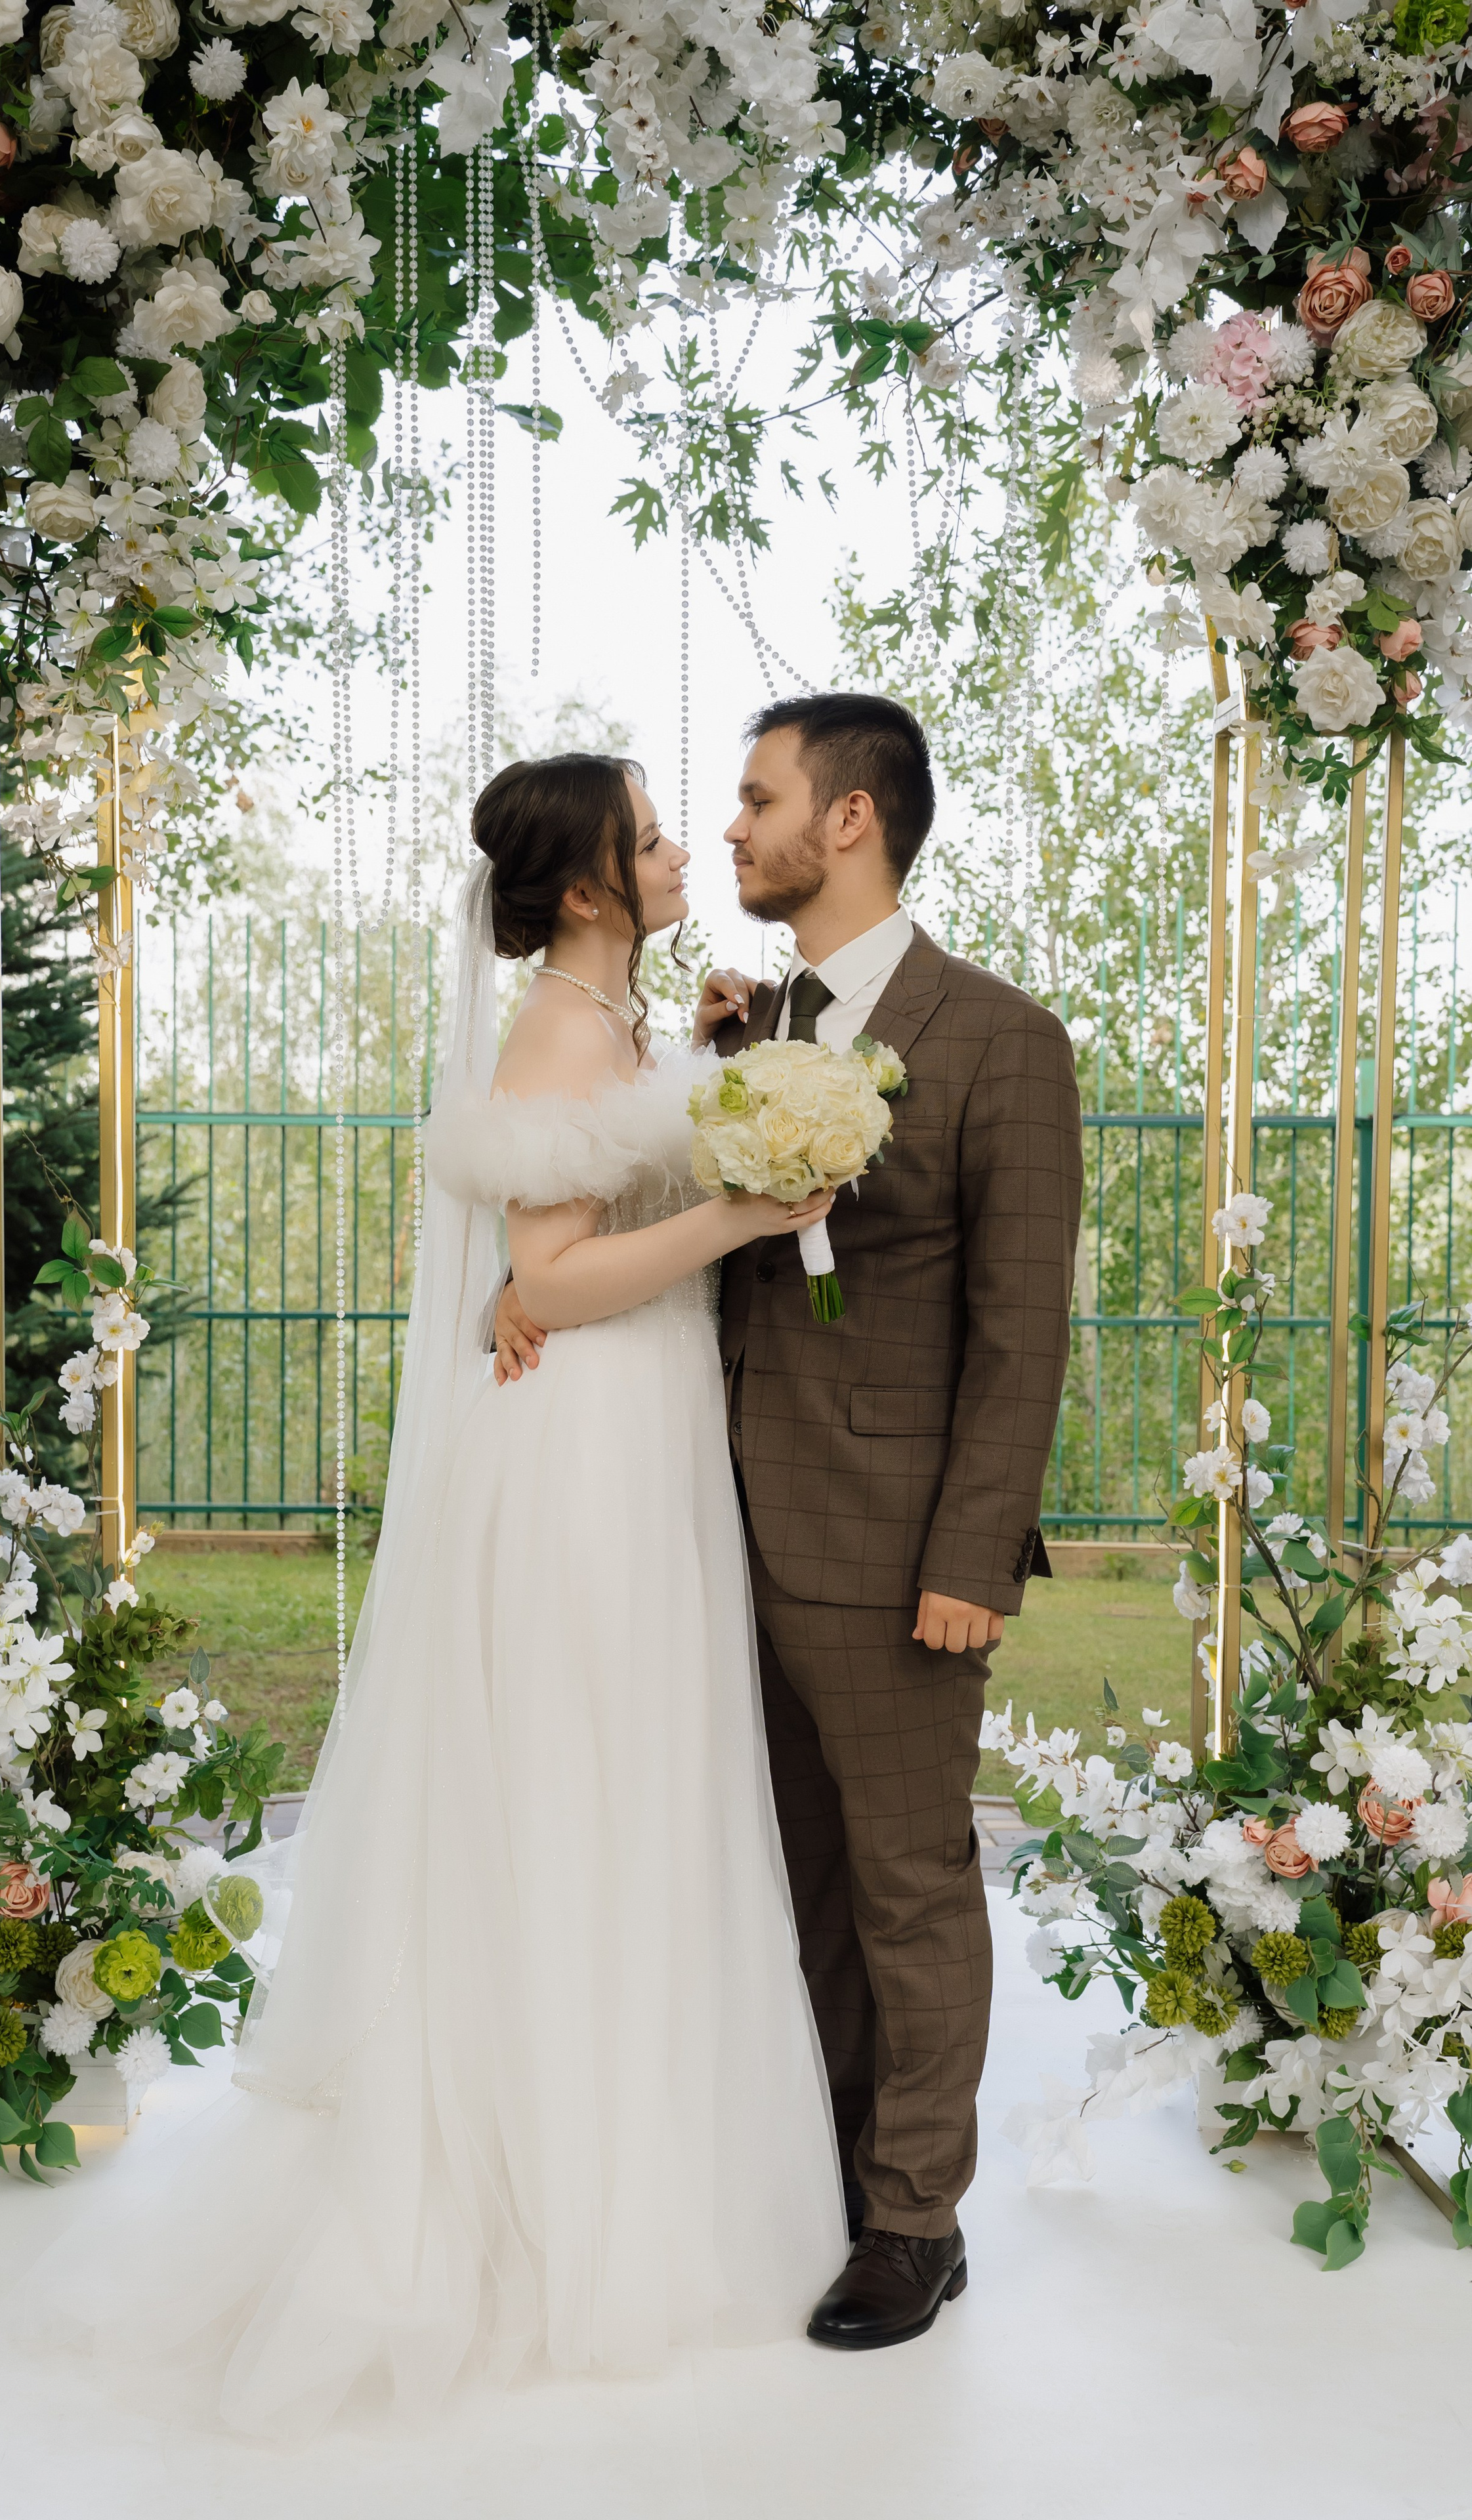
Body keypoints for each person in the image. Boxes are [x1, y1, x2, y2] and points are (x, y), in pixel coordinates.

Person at [31, 752, 845, 2435]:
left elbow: (562, 1228)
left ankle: (620, 2176)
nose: (682, 840)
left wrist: (703, 1078)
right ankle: (543, 2216)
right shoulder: (554, 1028)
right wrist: (740, 1217)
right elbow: (549, 1278)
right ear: (582, 888)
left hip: (643, 1433)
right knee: (567, 1791)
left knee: (635, 1795)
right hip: (583, 1454)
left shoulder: (612, 1025)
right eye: (648, 829)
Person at [495, 695, 1083, 2351]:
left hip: (894, 1550)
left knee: (906, 1882)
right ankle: (816, 2171)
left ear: (848, 822)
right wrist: (520, 1286)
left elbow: (1019, 1333)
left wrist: (971, 1559)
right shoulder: (748, 1030)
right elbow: (647, 1213)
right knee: (785, 1877)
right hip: (696, 1532)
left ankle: (912, 2223)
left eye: (753, 801)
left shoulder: (996, 1040)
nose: (728, 828)